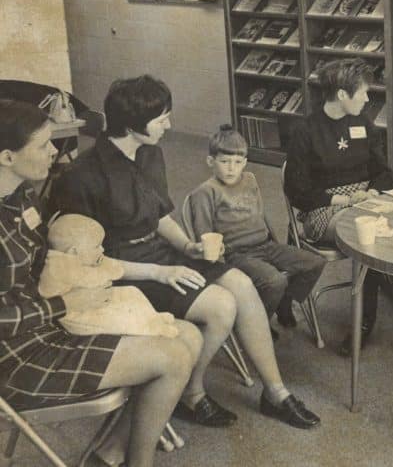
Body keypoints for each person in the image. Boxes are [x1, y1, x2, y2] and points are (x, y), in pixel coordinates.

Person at [52, 75, 320, 430]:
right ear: (132, 124)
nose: (169, 125)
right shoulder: (82, 175)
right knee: (221, 306)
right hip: (124, 271)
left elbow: (160, 215)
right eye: (162, 119)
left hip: (159, 252)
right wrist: (160, 272)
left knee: (242, 284)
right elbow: (86, 264)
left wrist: (187, 246)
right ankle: (191, 392)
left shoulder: (150, 152)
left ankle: (276, 392)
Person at [0, 99, 200, 467]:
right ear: (7, 157)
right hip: (16, 356)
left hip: (53, 322)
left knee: (189, 336)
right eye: (43, 146)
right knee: (172, 357)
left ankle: (108, 455)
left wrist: (92, 274)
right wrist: (65, 304)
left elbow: (55, 261)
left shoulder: (21, 197)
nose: (54, 152)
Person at [283, 59, 393, 356]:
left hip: (364, 199)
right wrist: (344, 201)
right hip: (323, 207)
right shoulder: (305, 131)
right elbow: (297, 191)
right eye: (362, 92)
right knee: (368, 235)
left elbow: (384, 171)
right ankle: (365, 323)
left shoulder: (363, 123)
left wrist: (372, 191)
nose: (367, 98)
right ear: (341, 94)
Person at [186, 124, 327, 333]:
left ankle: (283, 301)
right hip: (235, 253)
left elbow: (259, 215)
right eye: (224, 162)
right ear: (211, 162)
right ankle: (257, 322)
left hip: (265, 245)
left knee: (314, 262)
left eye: (237, 162)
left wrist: (273, 243)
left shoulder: (250, 179)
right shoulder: (205, 192)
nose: (231, 168)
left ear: (245, 162)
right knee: (274, 281)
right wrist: (221, 268)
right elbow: (205, 236)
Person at [40, 214, 179, 338]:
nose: (102, 249)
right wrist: (108, 271)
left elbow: (106, 268)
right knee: (117, 317)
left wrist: (110, 268)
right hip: (79, 315)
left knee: (131, 292)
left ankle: (151, 316)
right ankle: (152, 329)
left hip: (92, 298)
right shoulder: (57, 268)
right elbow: (93, 278)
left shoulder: (78, 258)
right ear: (74, 251)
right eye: (96, 246)